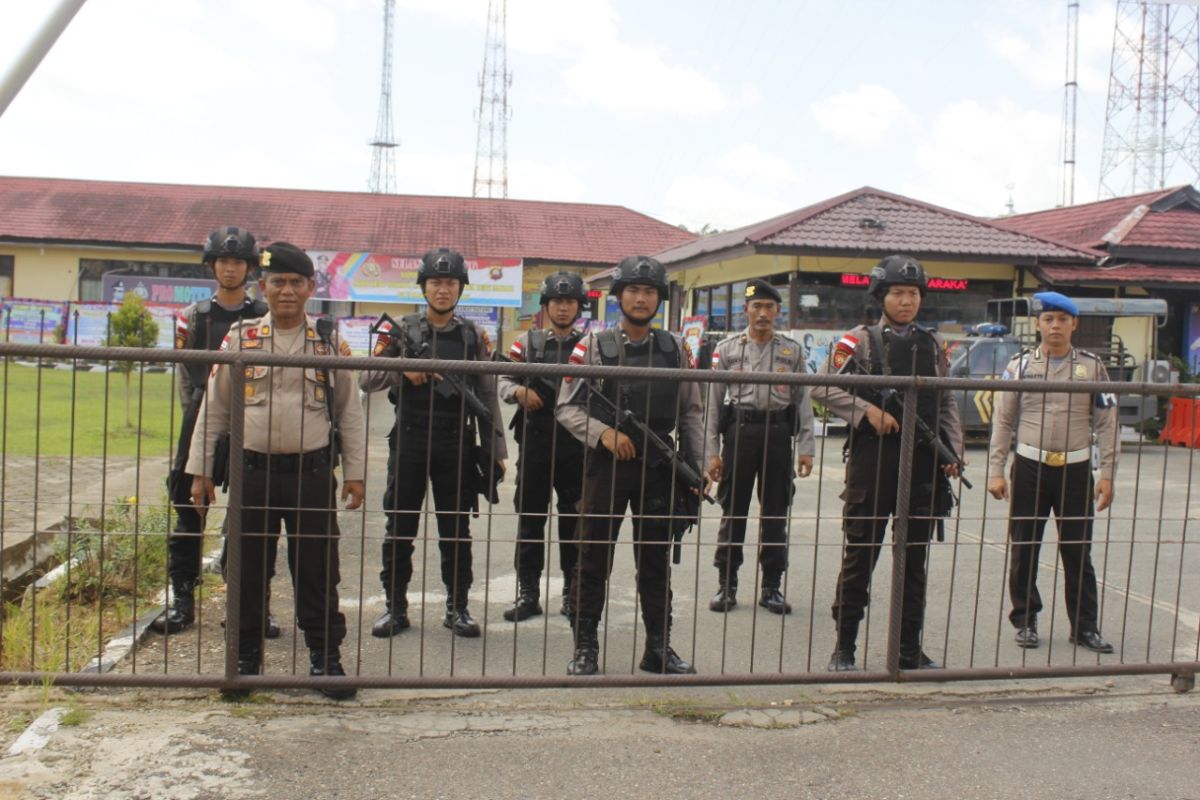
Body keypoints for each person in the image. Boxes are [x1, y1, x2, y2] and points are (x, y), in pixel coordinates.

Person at [187, 242, 365, 700]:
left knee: (317, 570)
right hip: (253, 473)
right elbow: (215, 409)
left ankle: (326, 659)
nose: (287, 291)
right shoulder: (241, 339)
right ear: (262, 287)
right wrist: (200, 471)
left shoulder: (328, 341)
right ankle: (244, 663)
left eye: (296, 283)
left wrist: (355, 473)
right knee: (247, 570)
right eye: (277, 283)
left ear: (310, 288)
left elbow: (350, 412)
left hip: (310, 474)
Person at [555, 255, 706, 676]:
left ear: (661, 298)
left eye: (650, 291)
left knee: (655, 560)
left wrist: (699, 463)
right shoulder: (592, 346)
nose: (641, 298)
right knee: (592, 558)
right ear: (618, 296)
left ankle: (658, 647)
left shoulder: (676, 348)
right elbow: (566, 408)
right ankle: (585, 648)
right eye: (633, 291)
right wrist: (603, 434)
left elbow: (691, 411)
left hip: (659, 465)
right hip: (606, 466)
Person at [815, 254, 963, 672]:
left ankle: (908, 649)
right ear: (881, 295)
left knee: (913, 563)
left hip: (923, 462)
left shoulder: (933, 345)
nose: (906, 300)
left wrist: (953, 451)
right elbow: (823, 386)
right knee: (860, 556)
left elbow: (947, 399)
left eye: (913, 293)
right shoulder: (857, 340)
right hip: (873, 460)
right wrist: (865, 412)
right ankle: (844, 648)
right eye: (897, 292)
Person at [360, 248, 507, 639]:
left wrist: (496, 450)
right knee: (399, 528)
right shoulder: (399, 331)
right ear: (423, 287)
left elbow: (488, 395)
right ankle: (395, 608)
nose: (443, 290)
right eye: (436, 282)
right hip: (409, 441)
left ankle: (457, 608)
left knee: (455, 530)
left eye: (451, 283)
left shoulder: (473, 336)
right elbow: (365, 379)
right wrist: (402, 370)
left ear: (461, 289)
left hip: (456, 444)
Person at [152, 226, 275, 637]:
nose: (229, 267)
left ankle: (253, 606)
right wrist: (198, 415)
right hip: (202, 416)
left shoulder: (262, 317)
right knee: (188, 511)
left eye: (238, 261)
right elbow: (186, 374)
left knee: (253, 515)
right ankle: (183, 600)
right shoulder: (196, 317)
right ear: (211, 265)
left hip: (253, 417)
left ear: (249, 268)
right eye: (223, 260)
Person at [987, 291, 1118, 654]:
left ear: (1074, 324)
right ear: (1038, 324)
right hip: (1029, 467)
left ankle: (1085, 626)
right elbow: (1003, 419)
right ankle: (1025, 620)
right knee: (1025, 547)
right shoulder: (1020, 365)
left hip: (1075, 470)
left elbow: (1107, 423)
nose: (1055, 326)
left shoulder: (1093, 367)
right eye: (1048, 319)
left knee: (1078, 551)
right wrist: (996, 469)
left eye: (1062, 319)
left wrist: (1107, 473)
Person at [705, 279, 815, 616]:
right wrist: (711, 452)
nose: (763, 313)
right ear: (746, 310)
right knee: (733, 512)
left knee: (775, 512)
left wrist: (806, 447)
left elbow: (804, 401)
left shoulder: (792, 352)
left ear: (778, 312)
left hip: (779, 434)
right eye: (757, 307)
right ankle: (727, 584)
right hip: (740, 432)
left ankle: (771, 587)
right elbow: (711, 402)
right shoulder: (727, 350)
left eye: (770, 307)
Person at [497, 271, 588, 622]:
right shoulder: (527, 343)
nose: (563, 308)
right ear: (546, 305)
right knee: (531, 520)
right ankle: (528, 593)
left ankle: (572, 593)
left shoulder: (590, 346)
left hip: (577, 446)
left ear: (579, 306)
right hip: (536, 443)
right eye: (556, 301)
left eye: (569, 302)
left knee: (574, 522)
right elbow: (503, 378)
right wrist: (519, 391)